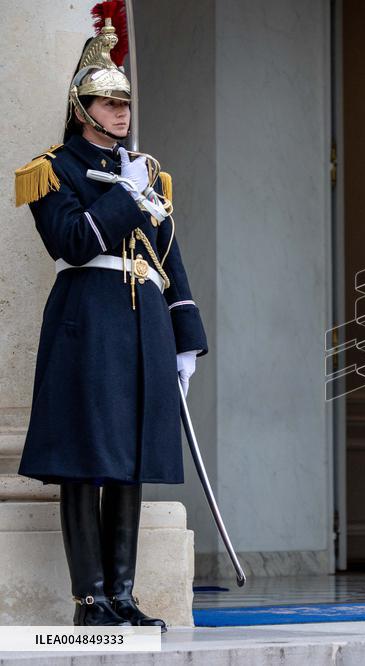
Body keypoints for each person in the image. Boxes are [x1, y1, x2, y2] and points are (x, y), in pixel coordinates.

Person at [13, 18, 207, 630]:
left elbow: (168, 256)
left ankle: (122, 595)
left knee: (131, 459)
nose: (121, 113)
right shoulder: (52, 169)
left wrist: (186, 338)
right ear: (82, 109)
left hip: (144, 323)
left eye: (125, 103)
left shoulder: (147, 171)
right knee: (85, 459)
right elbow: (71, 242)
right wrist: (125, 195)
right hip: (89, 320)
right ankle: (90, 599)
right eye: (108, 103)